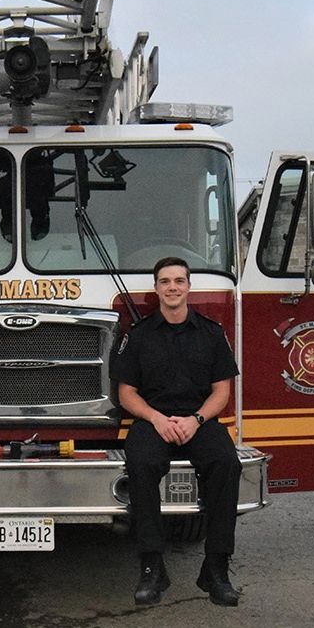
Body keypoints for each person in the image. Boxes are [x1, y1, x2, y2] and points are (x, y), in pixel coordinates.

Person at [110, 256, 243, 606]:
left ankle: (216, 569)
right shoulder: (138, 337)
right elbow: (127, 394)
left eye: (179, 281)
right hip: (153, 421)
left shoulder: (212, 334)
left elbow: (222, 392)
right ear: (156, 289)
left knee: (227, 463)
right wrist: (156, 419)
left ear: (188, 287)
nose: (172, 287)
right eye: (165, 282)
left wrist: (196, 420)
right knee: (139, 464)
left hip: (198, 421)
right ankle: (152, 567)